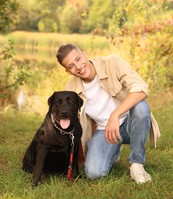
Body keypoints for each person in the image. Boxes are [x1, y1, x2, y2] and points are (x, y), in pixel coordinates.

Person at [56, 43, 160, 184]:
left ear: (85, 53)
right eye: (71, 66)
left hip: (131, 122)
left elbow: (141, 89)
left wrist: (115, 115)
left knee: (141, 108)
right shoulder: (71, 88)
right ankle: (113, 150)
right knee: (93, 173)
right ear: (68, 72)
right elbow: (68, 120)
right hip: (105, 131)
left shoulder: (112, 62)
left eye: (78, 59)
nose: (78, 67)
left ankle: (137, 164)